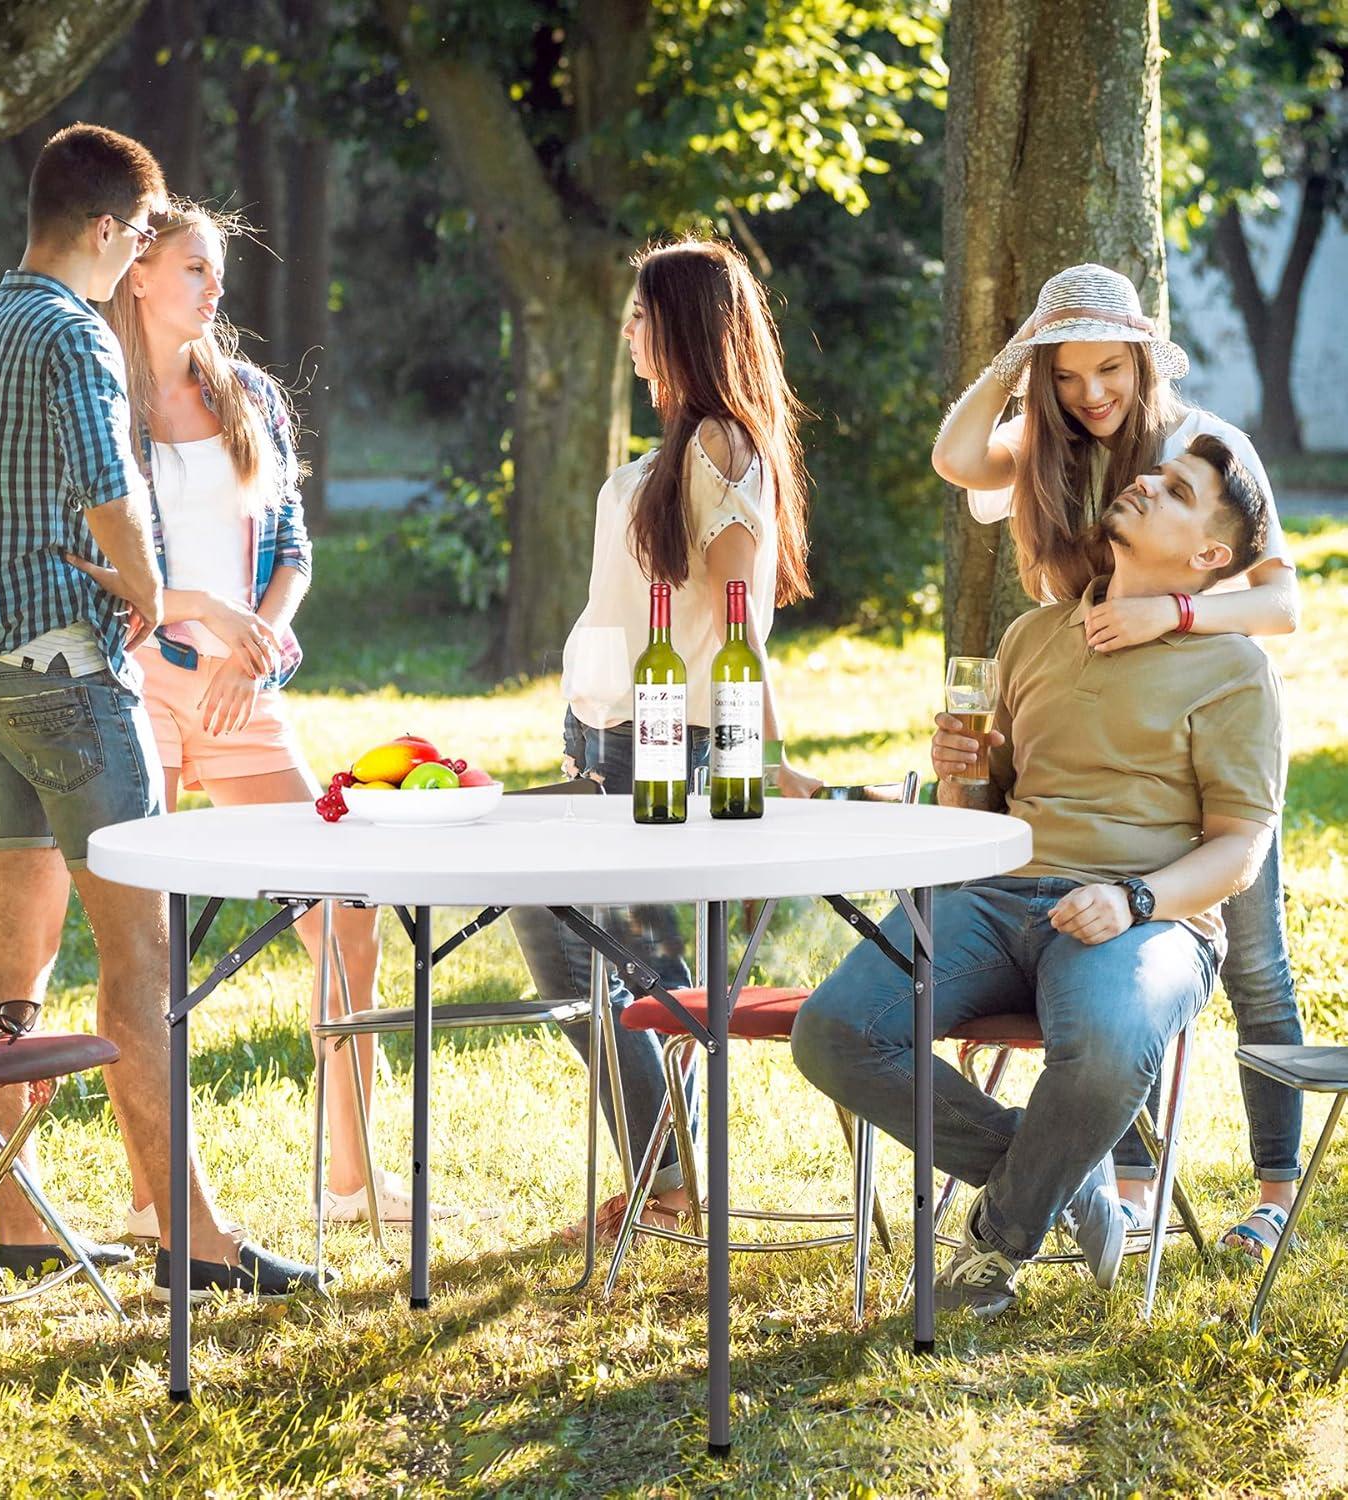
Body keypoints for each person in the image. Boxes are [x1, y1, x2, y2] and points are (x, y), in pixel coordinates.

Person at [0, 124, 319, 1300]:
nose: (133, 269)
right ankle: (195, 1244)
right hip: (72, 679)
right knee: (143, 957)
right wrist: (156, 599)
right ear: (107, 231)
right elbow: (113, 501)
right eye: (135, 243)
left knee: (14, 970)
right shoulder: (76, 340)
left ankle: (23, 1227)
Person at [793, 434, 1284, 1316]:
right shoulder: (1032, 636)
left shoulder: (1235, 670)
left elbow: (1239, 851)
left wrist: (1134, 899)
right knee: (835, 1031)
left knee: (1101, 1051)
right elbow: (979, 820)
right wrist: (959, 770)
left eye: (1174, 489)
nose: (1143, 482)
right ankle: (1062, 1171)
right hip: (994, 898)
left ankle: (999, 1240)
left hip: (1144, 921)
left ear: (1208, 556)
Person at [930, 262, 1303, 1262]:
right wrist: (1019, 353)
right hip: (1087, 743)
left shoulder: (1199, 452)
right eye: (1068, 376)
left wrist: (1168, 611)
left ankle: (1273, 1190)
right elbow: (956, 454)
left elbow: (1283, 604)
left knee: (1252, 959)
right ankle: (1125, 1184)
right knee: (1096, 960)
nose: (1091, 393)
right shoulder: (1042, 453)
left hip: (1197, 728)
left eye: (1110, 370)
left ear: (1143, 361)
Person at [75, 200, 424, 1227]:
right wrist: (188, 630)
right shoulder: (100, 397)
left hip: (245, 694)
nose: (212, 287)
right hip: (137, 681)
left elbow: (296, 551)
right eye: (193, 267)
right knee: (146, 946)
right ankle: (154, 1198)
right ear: (138, 273)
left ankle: (353, 1180)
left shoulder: (251, 396)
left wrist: (259, 641)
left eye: (215, 271)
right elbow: (94, 563)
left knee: (346, 914)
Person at [510, 238, 820, 1240]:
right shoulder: (676, 449)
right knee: (568, 939)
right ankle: (667, 1173)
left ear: (684, 325)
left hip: (670, 739)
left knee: (630, 971)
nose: (631, 336)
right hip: (607, 735)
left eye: (644, 317)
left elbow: (737, 618)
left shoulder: (721, 446)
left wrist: (766, 754)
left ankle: (671, 1184)